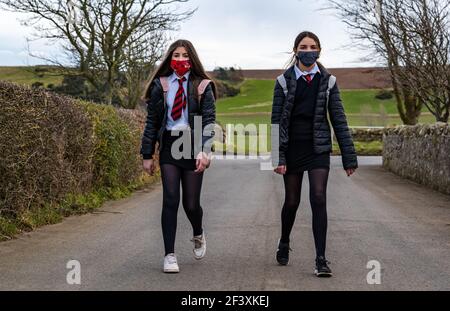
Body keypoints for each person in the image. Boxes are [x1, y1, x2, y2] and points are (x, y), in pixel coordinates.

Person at [271, 31, 358, 277]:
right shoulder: (283, 82)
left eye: (312, 46)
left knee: (319, 198)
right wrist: (277, 157)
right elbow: (276, 121)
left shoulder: (328, 82)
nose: (308, 50)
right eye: (303, 46)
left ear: (319, 50)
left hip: (318, 148)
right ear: (295, 50)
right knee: (292, 201)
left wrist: (349, 157)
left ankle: (321, 259)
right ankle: (284, 240)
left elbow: (339, 119)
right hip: (292, 149)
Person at [140, 39, 217, 273]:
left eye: (185, 55)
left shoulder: (203, 86)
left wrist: (205, 150)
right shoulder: (160, 85)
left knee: (191, 204)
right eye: (176, 55)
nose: (181, 60)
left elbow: (209, 122)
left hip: (193, 145)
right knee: (171, 199)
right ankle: (169, 255)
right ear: (169, 59)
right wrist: (147, 154)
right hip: (170, 145)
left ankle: (198, 232)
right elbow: (152, 122)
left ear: (192, 59)